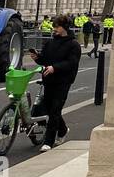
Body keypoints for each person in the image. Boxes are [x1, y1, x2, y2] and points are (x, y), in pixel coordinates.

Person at [33, 14, 82, 151]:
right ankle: (63, 130)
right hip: (49, 80)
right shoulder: (50, 43)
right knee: (49, 109)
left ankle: (48, 141)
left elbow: (72, 63)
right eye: (54, 26)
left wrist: (55, 68)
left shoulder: (73, 45)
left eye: (57, 26)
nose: (54, 29)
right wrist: (37, 58)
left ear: (64, 27)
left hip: (63, 81)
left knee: (55, 109)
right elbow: (44, 60)